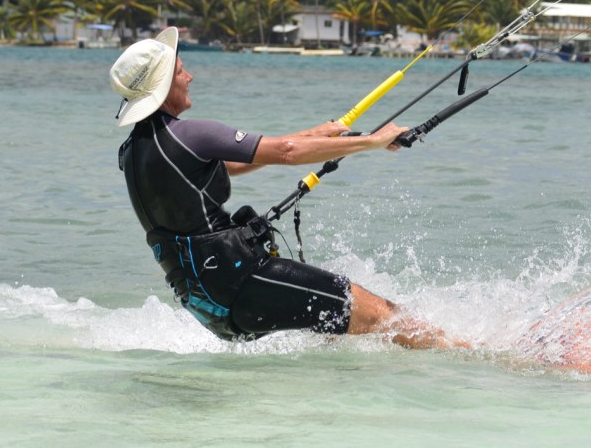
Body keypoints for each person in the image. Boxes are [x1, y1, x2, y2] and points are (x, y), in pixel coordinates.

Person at [110, 27, 465, 349]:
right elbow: (286, 152)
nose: (190, 77)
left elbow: (235, 164)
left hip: (210, 305)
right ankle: (471, 355)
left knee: (343, 325)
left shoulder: (135, 152)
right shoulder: (190, 135)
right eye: (180, 72)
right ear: (163, 86)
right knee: (381, 315)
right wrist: (372, 142)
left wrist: (313, 134)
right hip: (241, 283)